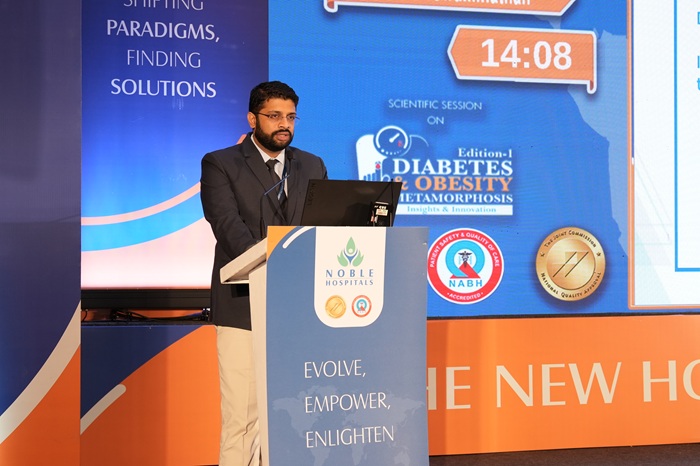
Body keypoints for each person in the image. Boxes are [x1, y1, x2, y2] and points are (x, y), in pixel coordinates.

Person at [200, 81, 327, 466]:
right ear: (252, 119)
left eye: (291, 117)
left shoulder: (312, 165)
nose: (284, 124)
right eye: (274, 116)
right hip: (243, 305)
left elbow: (323, 226)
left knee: (291, 416)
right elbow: (227, 225)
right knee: (243, 417)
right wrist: (277, 261)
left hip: (297, 308)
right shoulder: (221, 163)